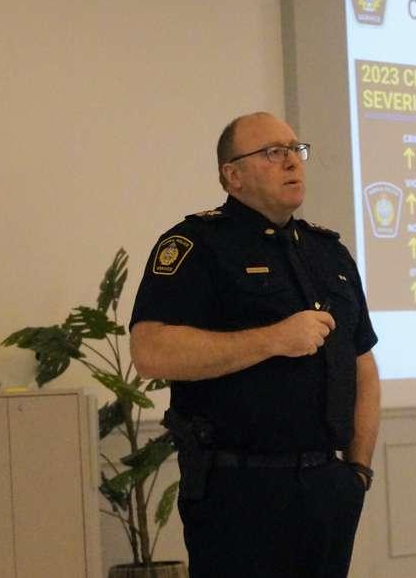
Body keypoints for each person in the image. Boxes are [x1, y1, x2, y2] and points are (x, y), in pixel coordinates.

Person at [129, 111, 380, 577]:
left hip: (329, 488)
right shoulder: (197, 245)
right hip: (238, 490)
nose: (292, 162)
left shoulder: (330, 252)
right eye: (272, 152)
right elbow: (151, 351)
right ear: (233, 175)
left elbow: (362, 361)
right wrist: (273, 339)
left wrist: (358, 471)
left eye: (295, 149)